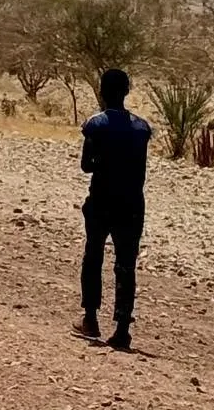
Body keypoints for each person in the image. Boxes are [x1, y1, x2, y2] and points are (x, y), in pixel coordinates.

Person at [74, 68, 151, 350]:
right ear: (127, 92)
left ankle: (90, 317)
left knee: (93, 255)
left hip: (102, 200)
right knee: (126, 264)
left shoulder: (96, 125)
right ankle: (122, 329)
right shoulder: (141, 128)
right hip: (132, 203)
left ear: (102, 92)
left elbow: (86, 165)